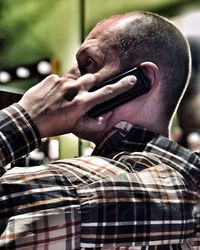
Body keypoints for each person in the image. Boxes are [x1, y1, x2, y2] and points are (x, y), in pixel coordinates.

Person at [0, 11, 199, 249]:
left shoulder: (86, 187)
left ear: (140, 80)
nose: (67, 79)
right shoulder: (184, 180)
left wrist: (26, 118)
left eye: (89, 63)